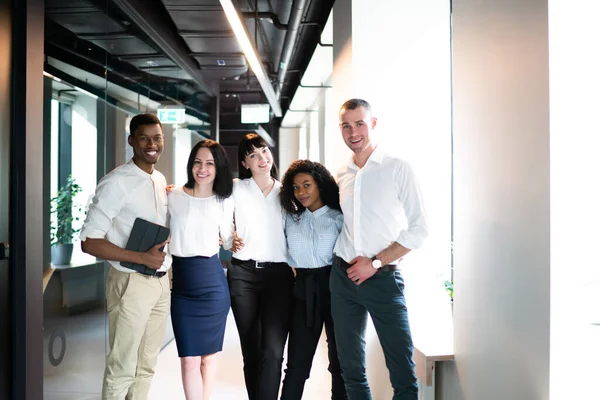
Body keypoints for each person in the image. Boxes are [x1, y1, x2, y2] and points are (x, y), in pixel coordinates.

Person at [330, 99, 429, 400]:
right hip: (343, 277)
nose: (353, 131)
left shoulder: (397, 168)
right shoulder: (341, 175)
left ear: (373, 124)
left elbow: (419, 230)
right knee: (351, 370)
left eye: (360, 123)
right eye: (346, 126)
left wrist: (373, 263)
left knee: (402, 370)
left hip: (383, 279)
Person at [80, 113, 171, 400]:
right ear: (132, 141)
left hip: (159, 284)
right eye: (143, 138)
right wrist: (141, 258)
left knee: (146, 366)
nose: (151, 144)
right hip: (131, 282)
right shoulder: (116, 182)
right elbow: (89, 241)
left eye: (156, 137)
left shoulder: (159, 179)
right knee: (122, 367)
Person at [227, 133, 294, 400]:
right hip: (243, 275)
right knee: (251, 351)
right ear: (245, 163)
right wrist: (226, 237)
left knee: (274, 351)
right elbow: (207, 203)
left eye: (264, 151)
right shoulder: (235, 188)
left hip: (279, 277)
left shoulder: (287, 192)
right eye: (253, 155)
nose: (262, 158)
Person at [167, 139, 235, 400]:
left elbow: (228, 241)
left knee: (208, 358)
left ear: (218, 168)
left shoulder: (223, 201)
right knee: (188, 360)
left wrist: (235, 241)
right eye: (197, 162)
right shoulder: (173, 196)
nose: (202, 168)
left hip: (213, 286)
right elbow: (162, 235)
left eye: (209, 163)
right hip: (183, 288)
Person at [279, 160, 348, 400]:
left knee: (340, 363)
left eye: (307, 185)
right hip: (302, 291)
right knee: (297, 364)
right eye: (296, 188)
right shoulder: (290, 219)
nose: (301, 192)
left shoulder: (339, 217)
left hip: (336, 287)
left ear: (319, 184)